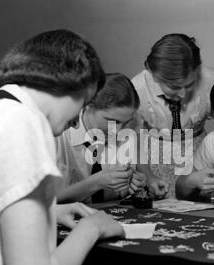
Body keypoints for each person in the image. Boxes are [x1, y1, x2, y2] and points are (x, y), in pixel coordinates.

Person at [0, 29, 124, 265]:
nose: (74, 120)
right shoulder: (24, 122)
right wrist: (93, 227)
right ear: (71, 82)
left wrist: (49, 211)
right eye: (83, 103)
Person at [132, 33, 214, 198]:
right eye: (174, 87)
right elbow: (133, 142)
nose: (182, 94)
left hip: (197, 158)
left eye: (189, 85)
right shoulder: (137, 89)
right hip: (152, 161)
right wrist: (149, 178)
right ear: (156, 77)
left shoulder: (212, 81)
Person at [56, 73, 147, 204]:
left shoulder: (127, 136)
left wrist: (131, 186)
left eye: (125, 123)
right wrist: (96, 183)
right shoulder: (59, 134)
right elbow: (45, 202)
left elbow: (117, 197)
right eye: (112, 121)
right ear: (88, 106)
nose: (117, 130)